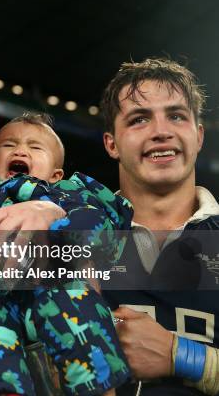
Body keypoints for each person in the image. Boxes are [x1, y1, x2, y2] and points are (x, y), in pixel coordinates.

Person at [0, 114, 132, 395]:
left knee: (74, 298)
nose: (20, 150)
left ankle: (96, 384)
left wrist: (57, 223)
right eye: (9, 145)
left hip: (50, 283)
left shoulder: (69, 193)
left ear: (57, 173)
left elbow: (100, 226)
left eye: (35, 147)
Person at [100, 58, 219, 395]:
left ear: (198, 136)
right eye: (139, 119)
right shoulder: (69, 236)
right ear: (111, 144)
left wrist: (179, 356)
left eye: (177, 116)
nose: (161, 131)